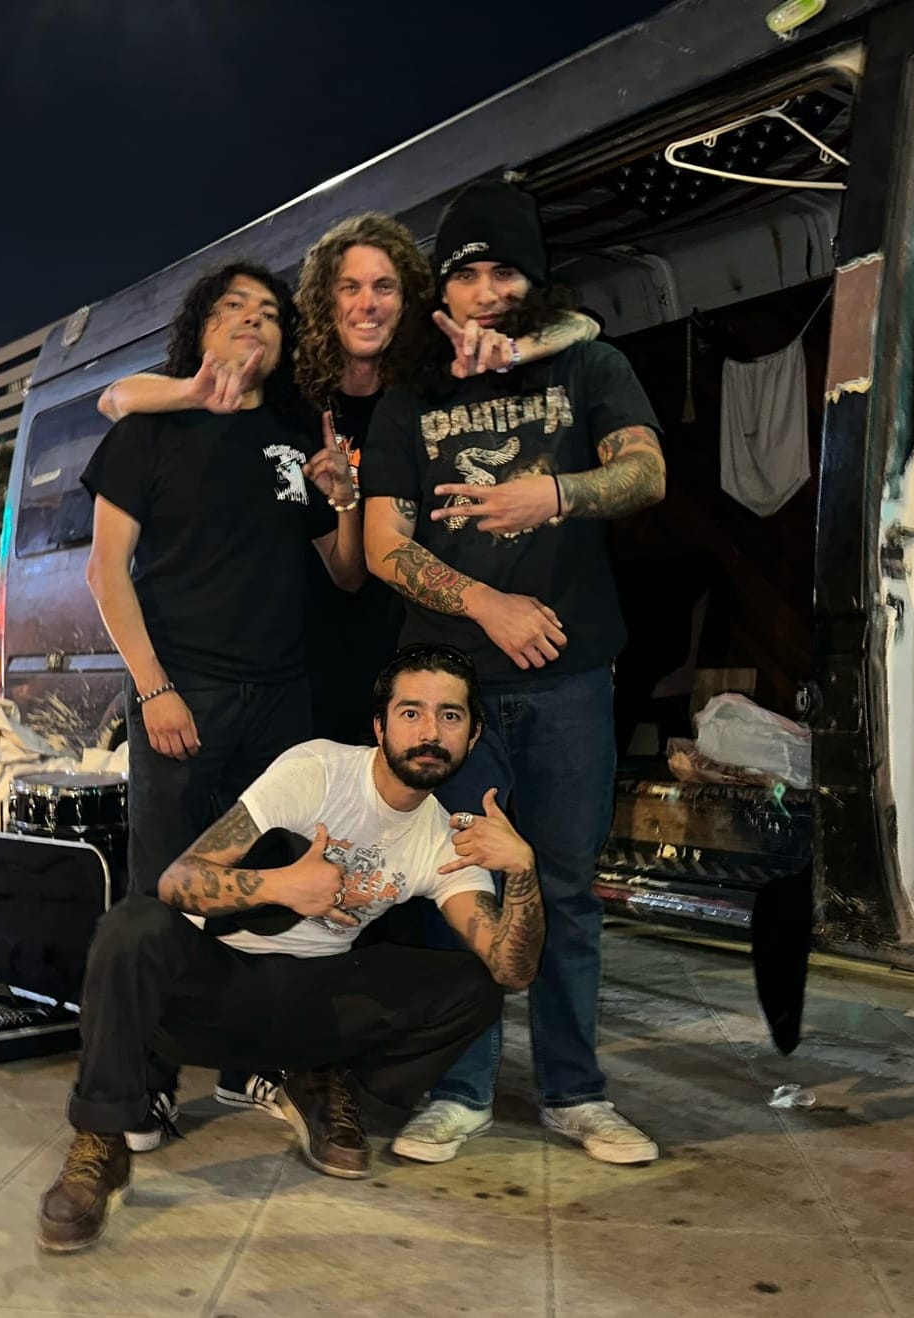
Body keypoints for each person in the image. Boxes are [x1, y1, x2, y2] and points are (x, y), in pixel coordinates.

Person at [37, 644, 544, 1253]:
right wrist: (282, 886)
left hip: (313, 1003)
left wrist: (523, 870)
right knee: (131, 926)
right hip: (218, 988)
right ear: (380, 726)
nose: (430, 731)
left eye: (450, 716)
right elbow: (177, 881)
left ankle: (323, 1085)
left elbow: (510, 968)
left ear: (473, 733)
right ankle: (102, 1143)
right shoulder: (320, 770)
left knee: (474, 988)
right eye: (411, 713)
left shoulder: (444, 837)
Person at [361, 178, 668, 1166]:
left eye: (504, 271)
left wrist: (556, 495)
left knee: (569, 888)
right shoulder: (412, 396)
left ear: (531, 282)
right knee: (457, 882)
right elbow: (379, 544)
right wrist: (486, 602)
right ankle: (460, 1091)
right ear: (440, 294)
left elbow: (646, 472)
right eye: (467, 274)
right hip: (452, 692)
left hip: (571, 678)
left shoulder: (588, 364)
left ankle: (577, 1093)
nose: (486, 290)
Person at [97, 213, 602, 745]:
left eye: (385, 287)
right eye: (350, 288)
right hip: (305, 663)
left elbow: (582, 325)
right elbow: (114, 399)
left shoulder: (432, 382)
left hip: (420, 649)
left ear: (408, 298)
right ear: (324, 300)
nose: (368, 304)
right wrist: (191, 393)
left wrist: (518, 349)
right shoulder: (292, 394)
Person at [80, 261, 364, 1115]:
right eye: (234, 307)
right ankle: (146, 1084)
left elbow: (345, 576)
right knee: (163, 894)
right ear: (200, 331)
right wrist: (154, 689)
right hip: (185, 696)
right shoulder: (148, 430)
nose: (254, 321)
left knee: (272, 891)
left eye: (270, 313)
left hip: (281, 702)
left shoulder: (287, 438)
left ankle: (250, 1063)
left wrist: (345, 500)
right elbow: (104, 572)